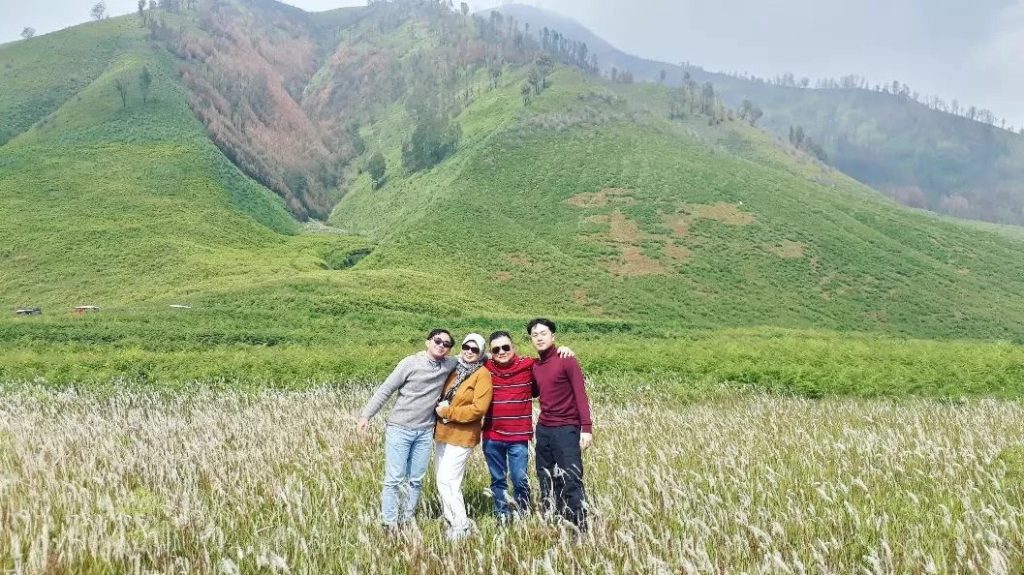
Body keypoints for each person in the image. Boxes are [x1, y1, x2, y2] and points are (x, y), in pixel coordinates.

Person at [356, 329, 458, 531]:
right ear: (427, 342)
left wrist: (499, 354)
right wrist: (366, 415)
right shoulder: (409, 363)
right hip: (399, 429)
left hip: (425, 431)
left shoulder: (448, 364)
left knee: (416, 479)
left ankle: (407, 519)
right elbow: (386, 389)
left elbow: (473, 356)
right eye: (437, 340)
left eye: (447, 343)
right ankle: (390, 523)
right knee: (394, 479)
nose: (441, 345)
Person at [528, 317, 593, 532]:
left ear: (553, 336)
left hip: (567, 428)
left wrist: (587, 428)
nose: (539, 338)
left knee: (571, 478)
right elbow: (531, 390)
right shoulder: (536, 366)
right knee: (547, 477)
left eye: (543, 333)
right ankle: (557, 519)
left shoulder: (567, 359)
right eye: (534, 335)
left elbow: (580, 394)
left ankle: (581, 526)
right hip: (544, 429)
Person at [433, 333, 493, 541]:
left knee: (450, 480)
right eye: (466, 347)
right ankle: (450, 520)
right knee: (441, 479)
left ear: (481, 353)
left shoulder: (483, 374)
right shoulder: (455, 369)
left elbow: (478, 409)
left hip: (463, 435)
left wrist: (448, 413)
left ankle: (461, 525)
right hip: (443, 433)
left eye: (474, 349)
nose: (469, 351)